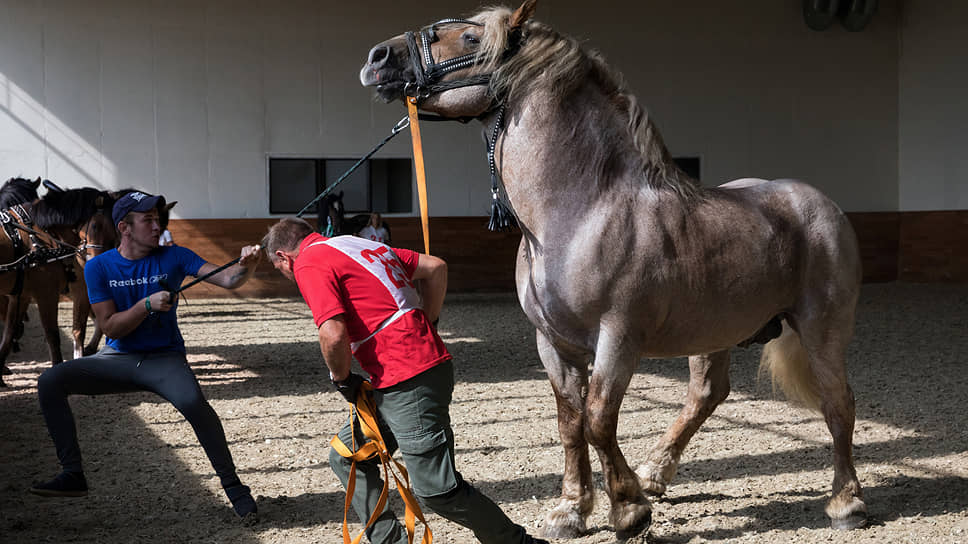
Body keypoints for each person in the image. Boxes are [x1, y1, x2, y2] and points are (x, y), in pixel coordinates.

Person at [263, 217, 547, 544]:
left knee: (438, 492)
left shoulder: (309, 262)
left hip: (407, 376)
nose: (286, 275)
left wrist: (341, 380)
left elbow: (333, 333)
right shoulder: (355, 244)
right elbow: (436, 267)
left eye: (278, 269)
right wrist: (430, 320)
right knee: (347, 456)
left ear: (285, 257)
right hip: (409, 371)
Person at [30, 191, 262, 521]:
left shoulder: (175, 256)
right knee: (50, 381)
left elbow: (227, 278)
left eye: (157, 218)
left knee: (196, 406)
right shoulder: (98, 267)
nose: (157, 226)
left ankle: (235, 488)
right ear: (124, 227)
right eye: (148, 220)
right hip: (118, 358)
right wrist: (145, 306)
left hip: (165, 359)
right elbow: (111, 327)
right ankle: (72, 474)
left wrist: (245, 266)